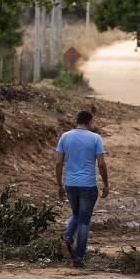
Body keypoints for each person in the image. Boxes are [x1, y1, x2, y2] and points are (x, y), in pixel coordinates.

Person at [55, 110, 109, 267]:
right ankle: (78, 258)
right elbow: (101, 164)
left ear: (76, 120)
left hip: (70, 184)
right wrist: (106, 184)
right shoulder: (95, 138)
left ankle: (67, 238)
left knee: (76, 214)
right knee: (84, 221)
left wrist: (59, 185)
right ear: (90, 122)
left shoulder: (65, 137)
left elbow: (58, 163)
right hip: (88, 185)